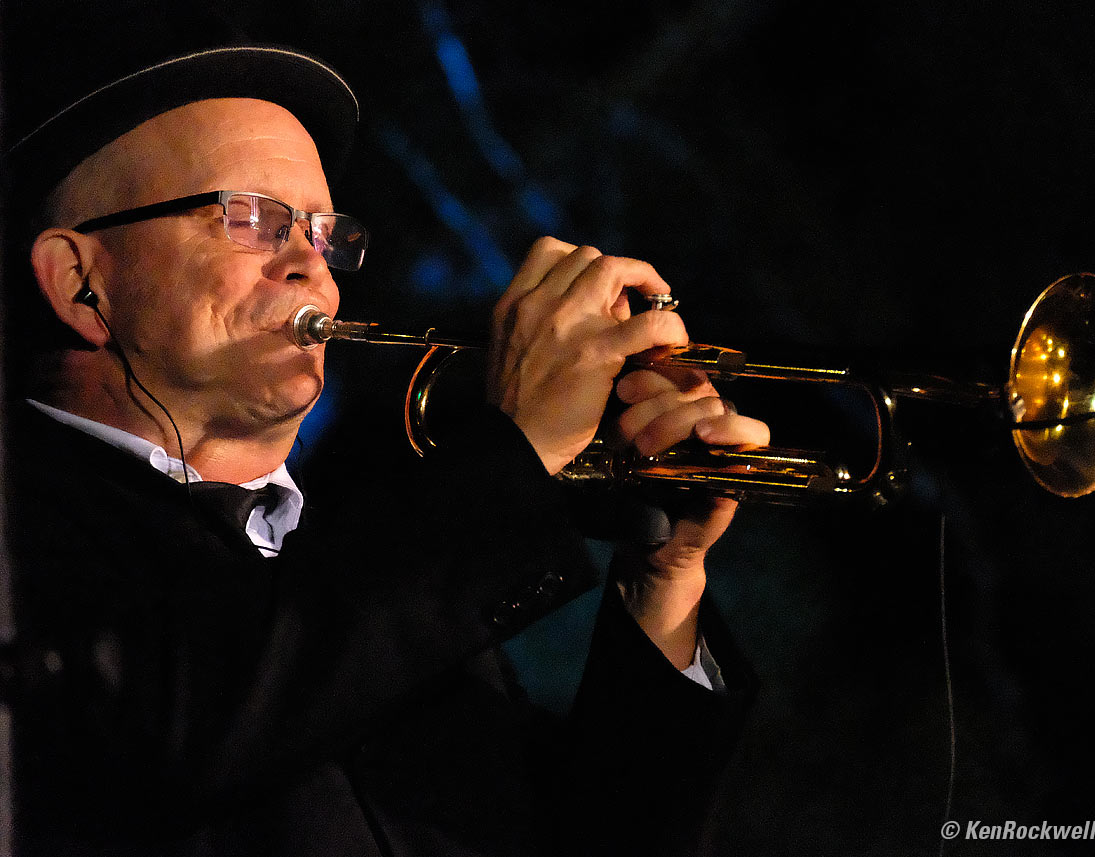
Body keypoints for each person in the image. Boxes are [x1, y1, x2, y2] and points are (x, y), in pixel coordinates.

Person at [1, 45, 768, 856]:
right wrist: (514, 451)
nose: (312, 267)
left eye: (324, 233)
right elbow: (163, 727)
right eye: (252, 216)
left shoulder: (374, 558)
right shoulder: (27, 527)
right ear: (81, 279)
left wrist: (663, 579)